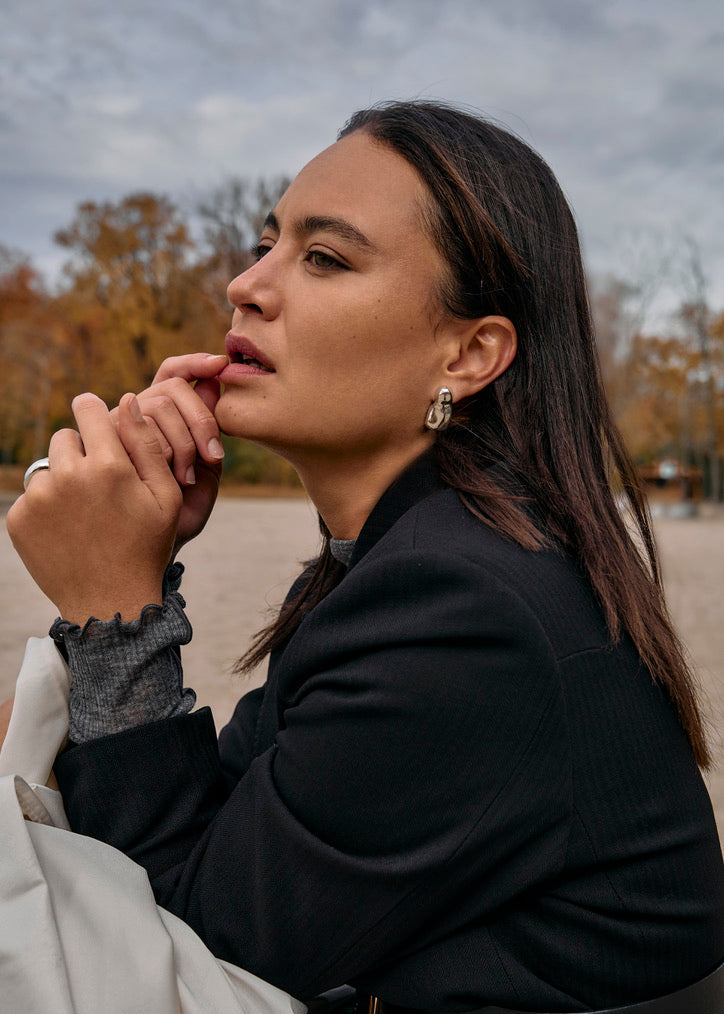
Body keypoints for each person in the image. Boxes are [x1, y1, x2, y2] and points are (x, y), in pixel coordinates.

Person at [6, 101, 724, 1013]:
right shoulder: (409, 558)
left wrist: (115, 610)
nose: (247, 285)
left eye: (325, 258)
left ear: (469, 354)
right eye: (267, 245)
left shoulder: (464, 606)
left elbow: (186, 948)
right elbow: (223, 828)